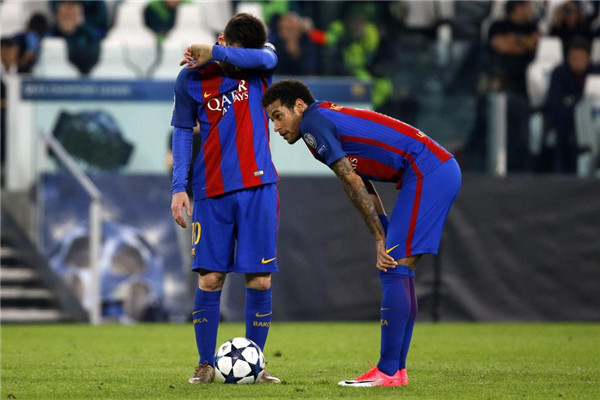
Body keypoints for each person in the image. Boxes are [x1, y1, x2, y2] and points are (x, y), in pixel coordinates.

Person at [261, 79, 461, 387]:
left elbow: (352, 182)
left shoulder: (313, 124)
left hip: (427, 170)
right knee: (399, 269)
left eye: (278, 116)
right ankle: (396, 371)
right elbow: (362, 181)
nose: (276, 127)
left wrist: (380, 238)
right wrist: (381, 229)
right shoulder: (321, 119)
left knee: (393, 267)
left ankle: (389, 371)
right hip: (434, 168)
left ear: (299, 106)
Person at [170, 13, 281, 384]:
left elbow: (266, 56)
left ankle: (257, 366)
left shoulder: (259, 64)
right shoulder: (191, 77)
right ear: (222, 38)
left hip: (258, 189)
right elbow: (182, 132)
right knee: (210, 278)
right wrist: (178, 187)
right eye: (231, 49)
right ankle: (205, 365)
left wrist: (215, 52)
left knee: (260, 280)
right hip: (211, 191)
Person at [541, 36, 600, 173]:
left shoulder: (596, 71)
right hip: (567, 117)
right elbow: (554, 101)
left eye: (581, 58)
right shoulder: (559, 72)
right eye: (574, 58)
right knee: (562, 124)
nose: (577, 62)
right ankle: (562, 171)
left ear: (588, 58)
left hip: (592, 115)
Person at [487, 0, 540, 99]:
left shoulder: (532, 27)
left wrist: (513, 39)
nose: (531, 10)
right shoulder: (498, 26)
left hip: (525, 74)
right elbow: (500, 46)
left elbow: (535, 45)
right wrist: (524, 42)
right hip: (501, 72)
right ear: (518, 8)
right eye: (528, 6)